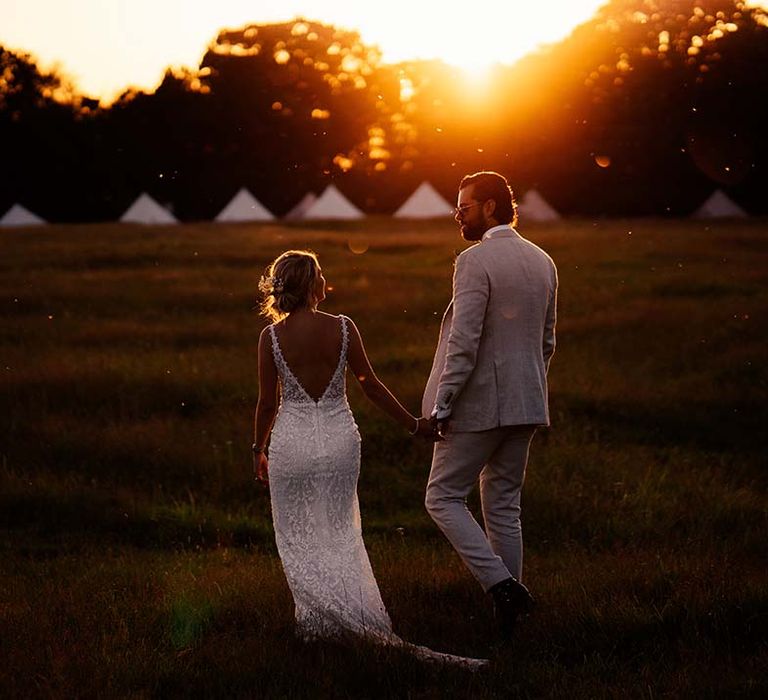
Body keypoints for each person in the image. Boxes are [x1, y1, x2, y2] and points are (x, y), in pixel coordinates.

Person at [253, 249, 487, 668]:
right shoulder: (343, 327)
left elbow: (266, 404)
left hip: (292, 444)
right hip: (341, 440)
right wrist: (414, 425)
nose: (326, 280)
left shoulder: (271, 338)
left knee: (297, 534)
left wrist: (258, 449)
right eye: (321, 274)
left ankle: (319, 622)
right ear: (311, 285)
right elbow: (371, 386)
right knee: (342, 529)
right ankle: (342, 615)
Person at [422, 171, 558, 639]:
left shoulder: (473, 261)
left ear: (491, 208)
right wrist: (528, 386)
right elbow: (547, 341)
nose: (457, 214)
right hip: (528, 401)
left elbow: (465, 341)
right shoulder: (543, 261)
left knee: (441, 497)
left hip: (480, 405)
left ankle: (502, 586)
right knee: (503, 507)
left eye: (464, 206)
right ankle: (510, 619)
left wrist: (442, 404)